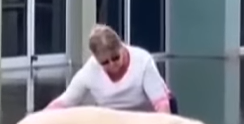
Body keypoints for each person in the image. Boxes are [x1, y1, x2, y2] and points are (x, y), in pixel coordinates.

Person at [46, 24, 178, 114]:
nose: (112, 64)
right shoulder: (90, 72)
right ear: (96, 60)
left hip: (152, 113)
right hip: (118, 119)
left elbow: (161, 103)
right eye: (105, 62)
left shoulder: (142, 61)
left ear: (122, 47)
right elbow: (65, 102)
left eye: (115, 58)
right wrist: (36, 121)